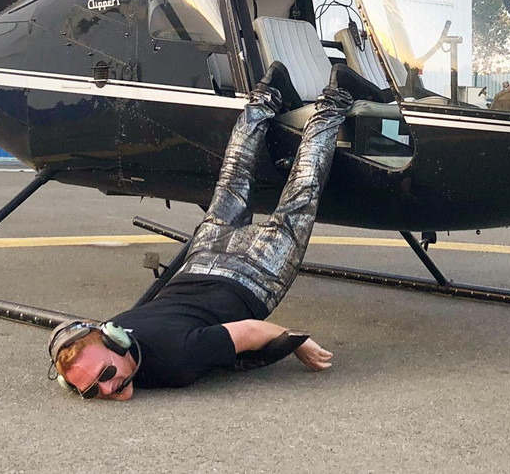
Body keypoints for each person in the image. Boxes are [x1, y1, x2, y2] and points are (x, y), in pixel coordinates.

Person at [48, 63, 353, 400]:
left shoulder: (175, 360)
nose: (108, 388)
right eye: (91, 391)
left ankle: (337, 98)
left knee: (302, 192)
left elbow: (251, 331)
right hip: (199, 262)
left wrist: (298, 344)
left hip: (252, 278)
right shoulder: (115, 328)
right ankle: (266, 93)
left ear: (114, 344)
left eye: (105, 374)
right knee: (234, 175)